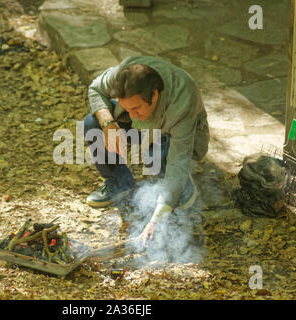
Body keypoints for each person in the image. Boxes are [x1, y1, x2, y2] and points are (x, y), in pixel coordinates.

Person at [83, 56, 209, 245]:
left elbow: (178, 161)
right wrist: (108, 124)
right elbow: (95, 88)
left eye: (136, 108)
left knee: (162, 165)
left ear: (155, 95)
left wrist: (157, 218)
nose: (132, 116)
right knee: (92, 124)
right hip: (149, 129)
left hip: (175, 137)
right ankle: (119, 184)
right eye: (127, 108)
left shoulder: (182, 102)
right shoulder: (124, 74)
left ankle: (182, 198)